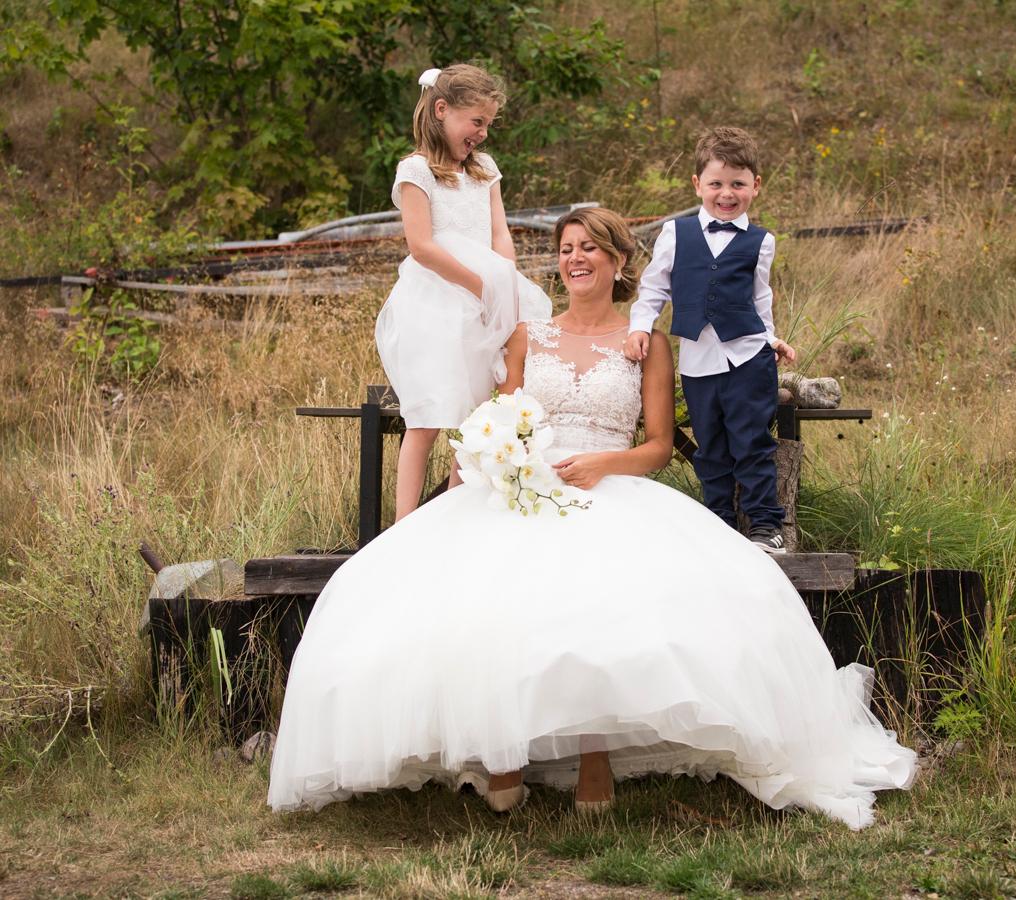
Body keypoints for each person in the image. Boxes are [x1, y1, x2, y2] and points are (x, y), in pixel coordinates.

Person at [268, 207, 915, 829]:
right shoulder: (528, 335)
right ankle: (503, 750)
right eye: (567, 249)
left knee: (602, 594)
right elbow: (503, 415)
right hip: (527, 484)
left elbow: (659, 446)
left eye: (590, 249)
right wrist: (498, 456)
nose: (575, 259)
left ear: (618, 260)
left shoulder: (646, 344)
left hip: (609, 484)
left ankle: (596, 751)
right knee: (491, 593)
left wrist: (604, 463)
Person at [375, 64, 551, 521]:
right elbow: (422, 246)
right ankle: (404, 524)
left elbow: (500, 233)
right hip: (434, 303)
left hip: (484, 301)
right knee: (431, 415)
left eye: (488, 124)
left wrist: (505, 282)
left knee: (476, 415)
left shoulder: (484, 169)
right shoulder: (416, 171)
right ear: (441, 110)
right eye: (477, 121)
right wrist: (480, 285)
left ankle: (457, 515)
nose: (482, 133)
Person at [624, 127, 796, 554]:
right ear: (697, 184)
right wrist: (640, 327)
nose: (726, 193)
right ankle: (716, 524)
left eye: (738, 184)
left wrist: (771, 339)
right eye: (716, 183)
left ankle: (765, 525)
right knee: (710, 447)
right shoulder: (675, 234)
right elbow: (653, 288)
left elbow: (760, 298)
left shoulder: (762, 241)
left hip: (748, 358)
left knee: (752, 443)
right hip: (699, 361)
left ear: (755, 186)